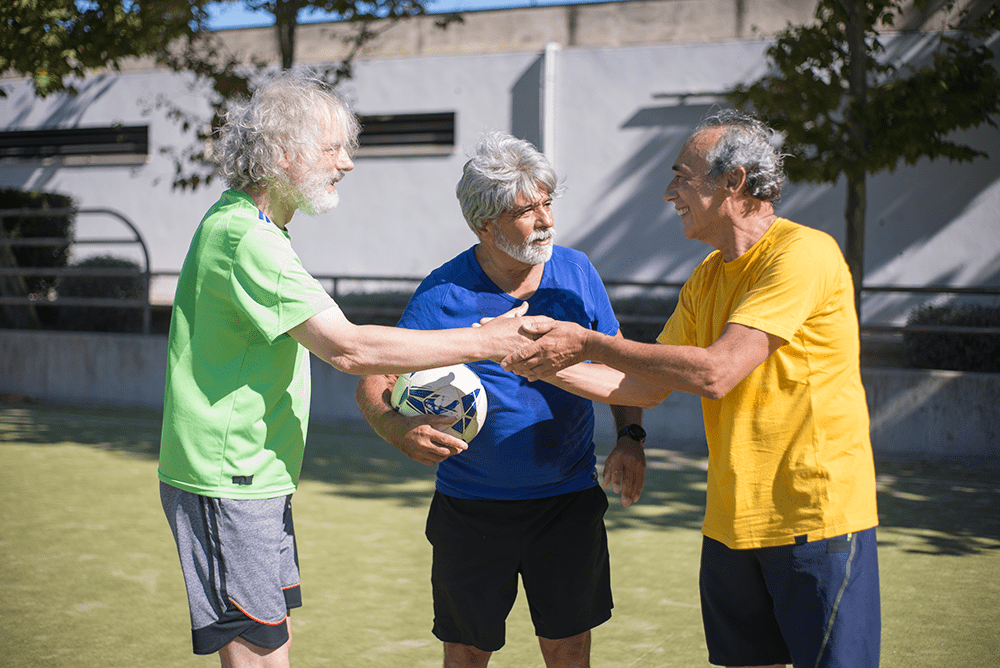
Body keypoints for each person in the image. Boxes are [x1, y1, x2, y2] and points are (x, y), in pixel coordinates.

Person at [158, 72, 544, 668]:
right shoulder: (243, 236)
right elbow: (348, 349)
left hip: (252, 475)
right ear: (283, 152)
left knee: (269, 641)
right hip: (225, 476)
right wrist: (484, 340)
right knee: (256, 651)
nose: (348, 164)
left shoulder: (260, 230)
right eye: (333, 147)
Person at [503, 110, 881, 668]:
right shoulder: (707, 276)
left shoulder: (803, 253)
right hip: (730, 522)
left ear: (735, 182)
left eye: (682, 176)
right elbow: (641, 386)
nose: (668, 192)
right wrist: (525, 358)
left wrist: (583, 342)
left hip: (815, 519)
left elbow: (716, 371)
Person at [355, 131, 646, 668]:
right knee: (466, 653)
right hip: (470, 509)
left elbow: (619, 360)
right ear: (484, 224)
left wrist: (631, 437)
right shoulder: (442, 293)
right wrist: (395, 428)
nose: (547, 221)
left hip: (567, 502)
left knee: (569, 651)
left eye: (548, 203)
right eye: (527, 210)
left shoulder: (577, 272)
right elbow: (372, 382)